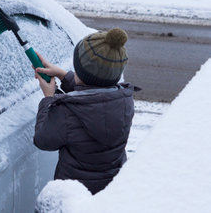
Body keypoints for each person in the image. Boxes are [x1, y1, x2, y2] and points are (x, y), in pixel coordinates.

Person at [33, 28, 140, 195]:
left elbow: (42, 140)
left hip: (75, 196)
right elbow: (93, 97)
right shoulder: (124, 100)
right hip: (112, 190)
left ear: (80, 71)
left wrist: (48, 99)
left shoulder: (65, 112)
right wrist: (63, 75)